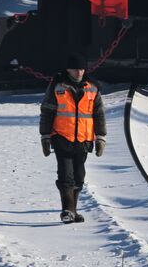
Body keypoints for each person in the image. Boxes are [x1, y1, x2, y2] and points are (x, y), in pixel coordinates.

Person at [39, 54, 106, 224]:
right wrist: (45, 136)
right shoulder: (57, 87)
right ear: (68, 70)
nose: (79, 72)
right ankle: (67, 210)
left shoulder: (93, 88)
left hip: (83, 140)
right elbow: (47, 111)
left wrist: (100, 137)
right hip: (61, 138)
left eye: (82, 69)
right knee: (65, 175)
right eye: (75, 69)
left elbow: (99, 114)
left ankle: (73, 211)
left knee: (79, 176)